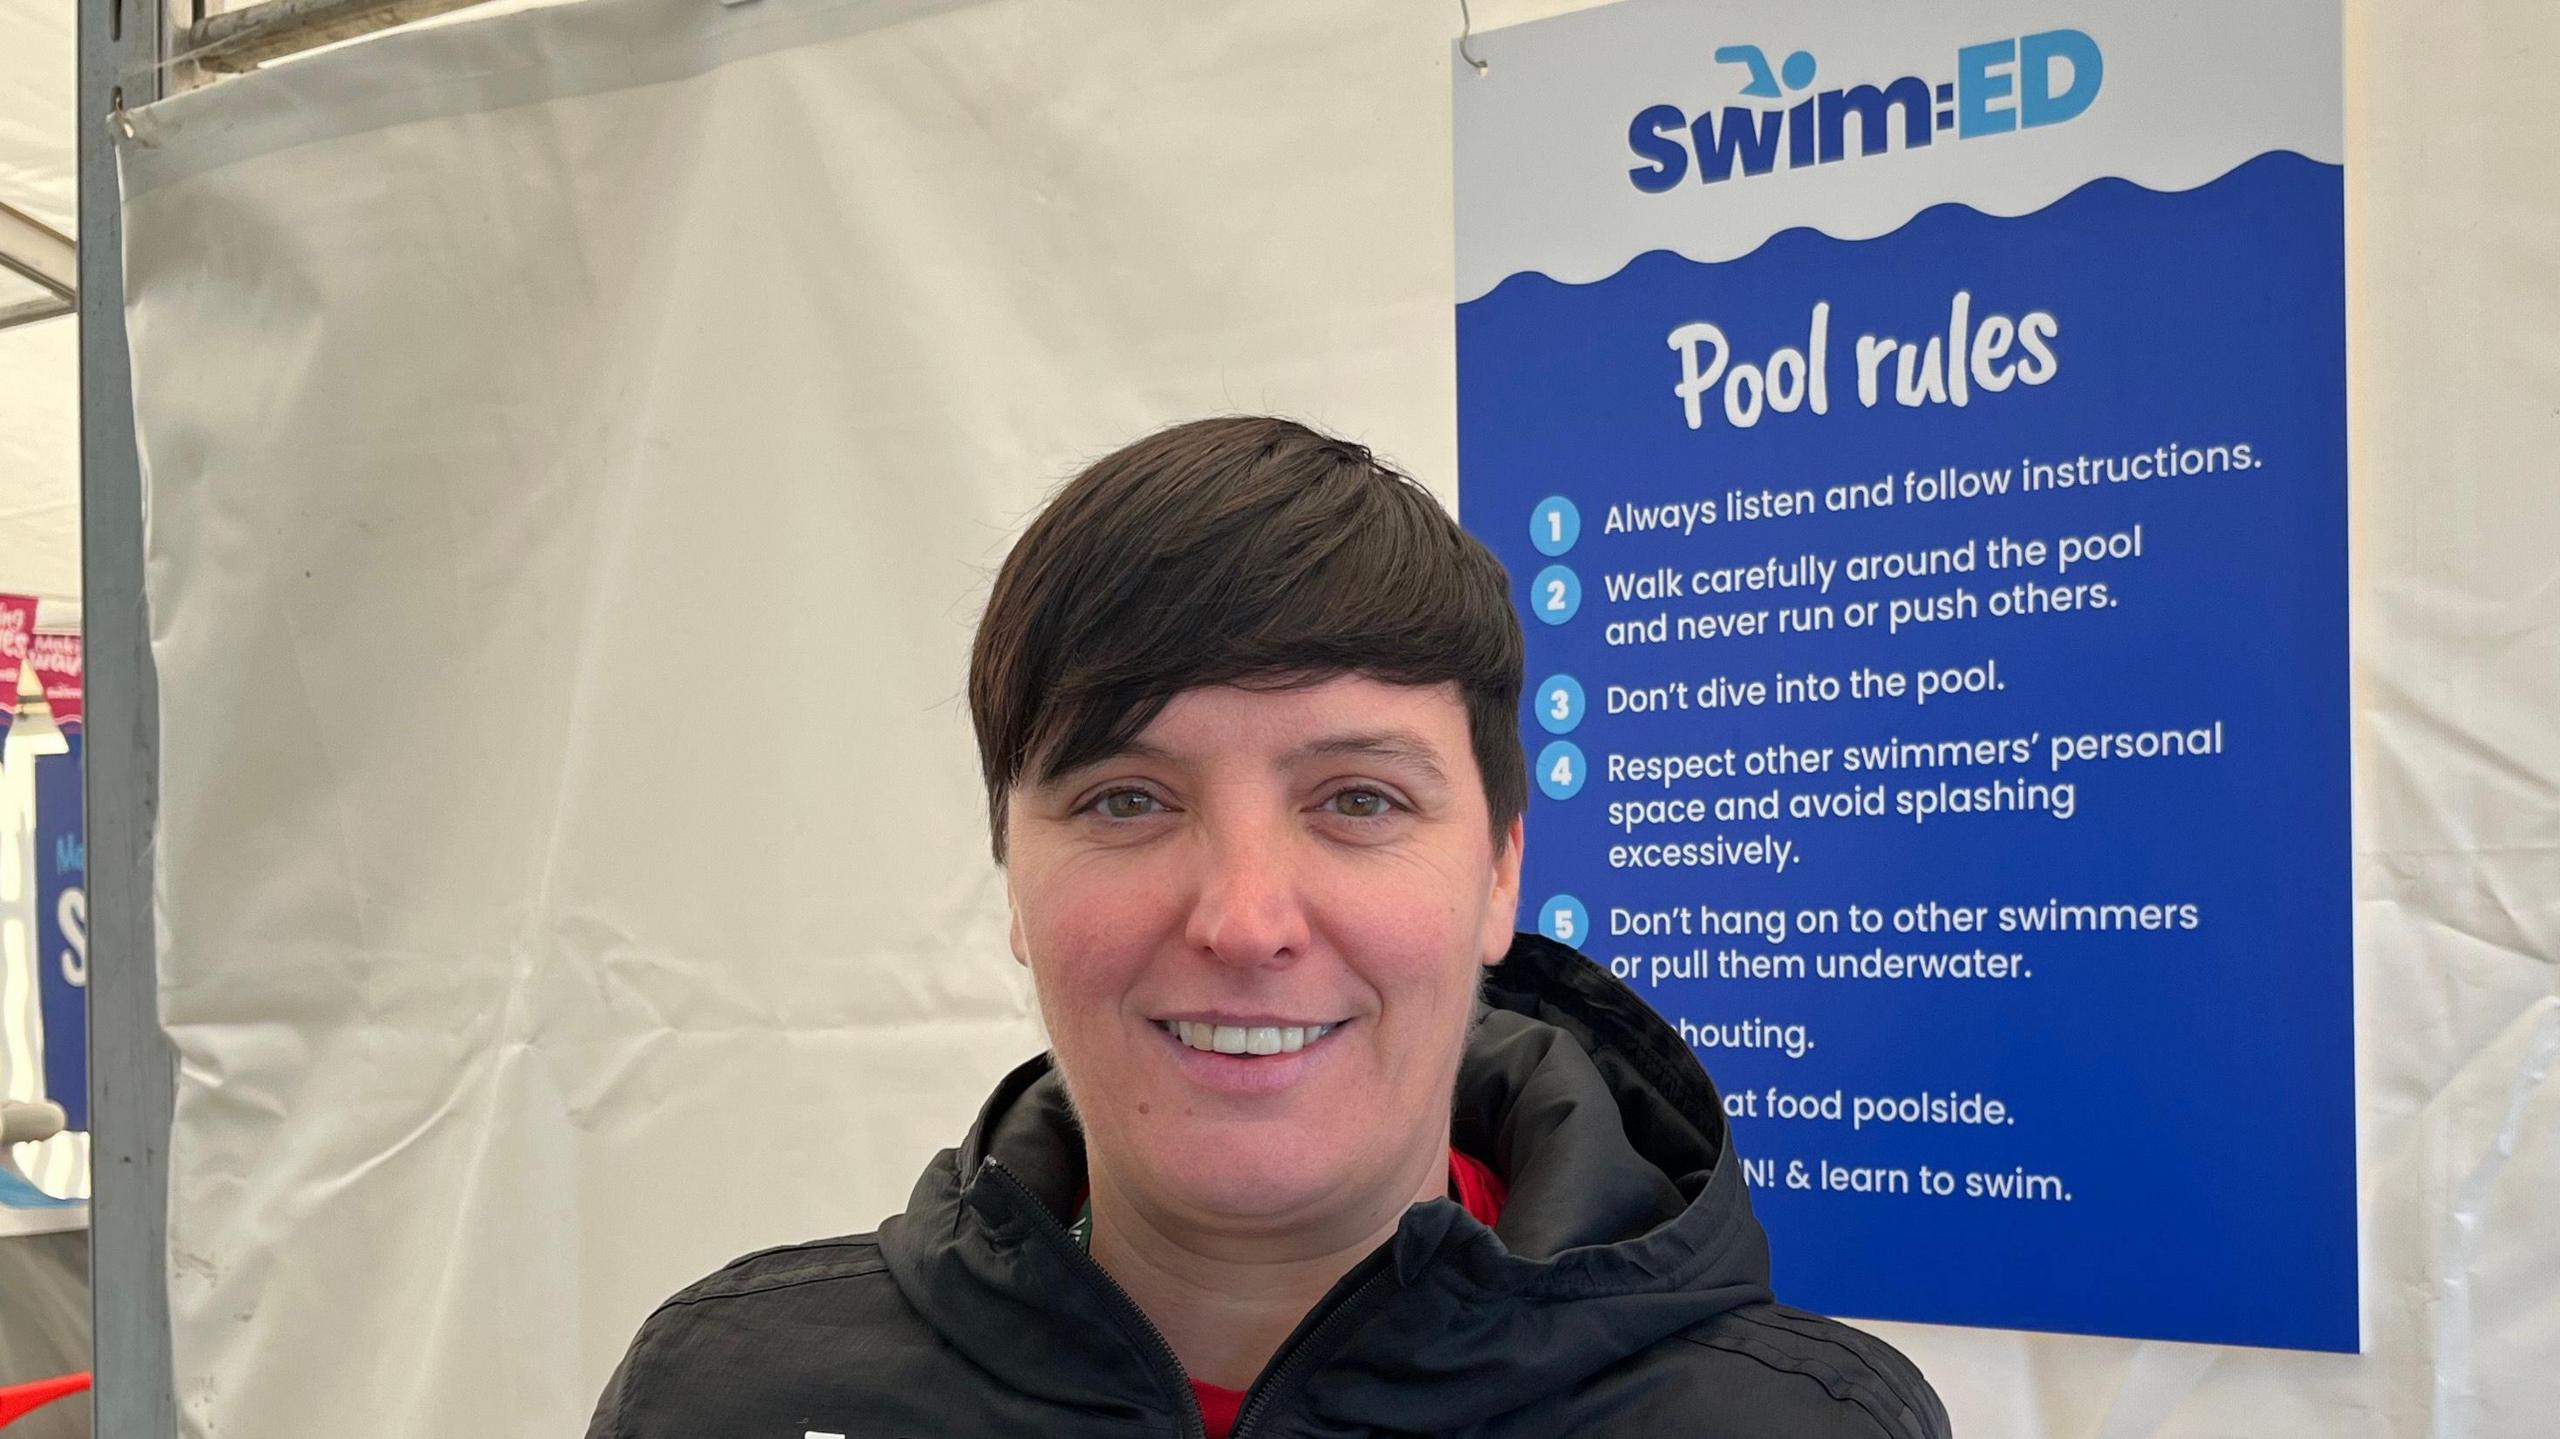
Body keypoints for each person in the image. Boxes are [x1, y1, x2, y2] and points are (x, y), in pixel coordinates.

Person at [586, 417, 1948, 1438]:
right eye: (1127, 797)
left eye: (1356, 797)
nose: (1243, 919)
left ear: (1498, 877)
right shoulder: (734, 1398)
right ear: (1014, 875)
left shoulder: (1800, 1427)